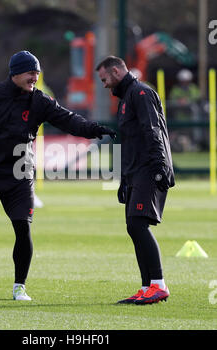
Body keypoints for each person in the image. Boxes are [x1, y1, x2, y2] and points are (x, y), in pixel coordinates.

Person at [0, 50, 116, 301]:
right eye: (31, 72)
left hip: (20, 174)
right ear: (15, 73)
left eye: (37, 73)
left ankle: (20, 287)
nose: (35, 77)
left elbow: (69, 120)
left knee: (22, 228)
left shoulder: (41, 101)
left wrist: (96, 129)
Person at [96, 56, 175, 305]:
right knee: (134, 227)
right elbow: (129, 141)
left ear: (117, 71)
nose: (105, 85)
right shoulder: (126, 98)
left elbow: (153, 130)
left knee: (139, 225)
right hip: (135, 172)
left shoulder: (141, 93)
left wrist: (160, 166)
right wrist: (123, 179)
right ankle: (146, 287)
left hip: (148, 169)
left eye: (105, 79)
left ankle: (159, 285)